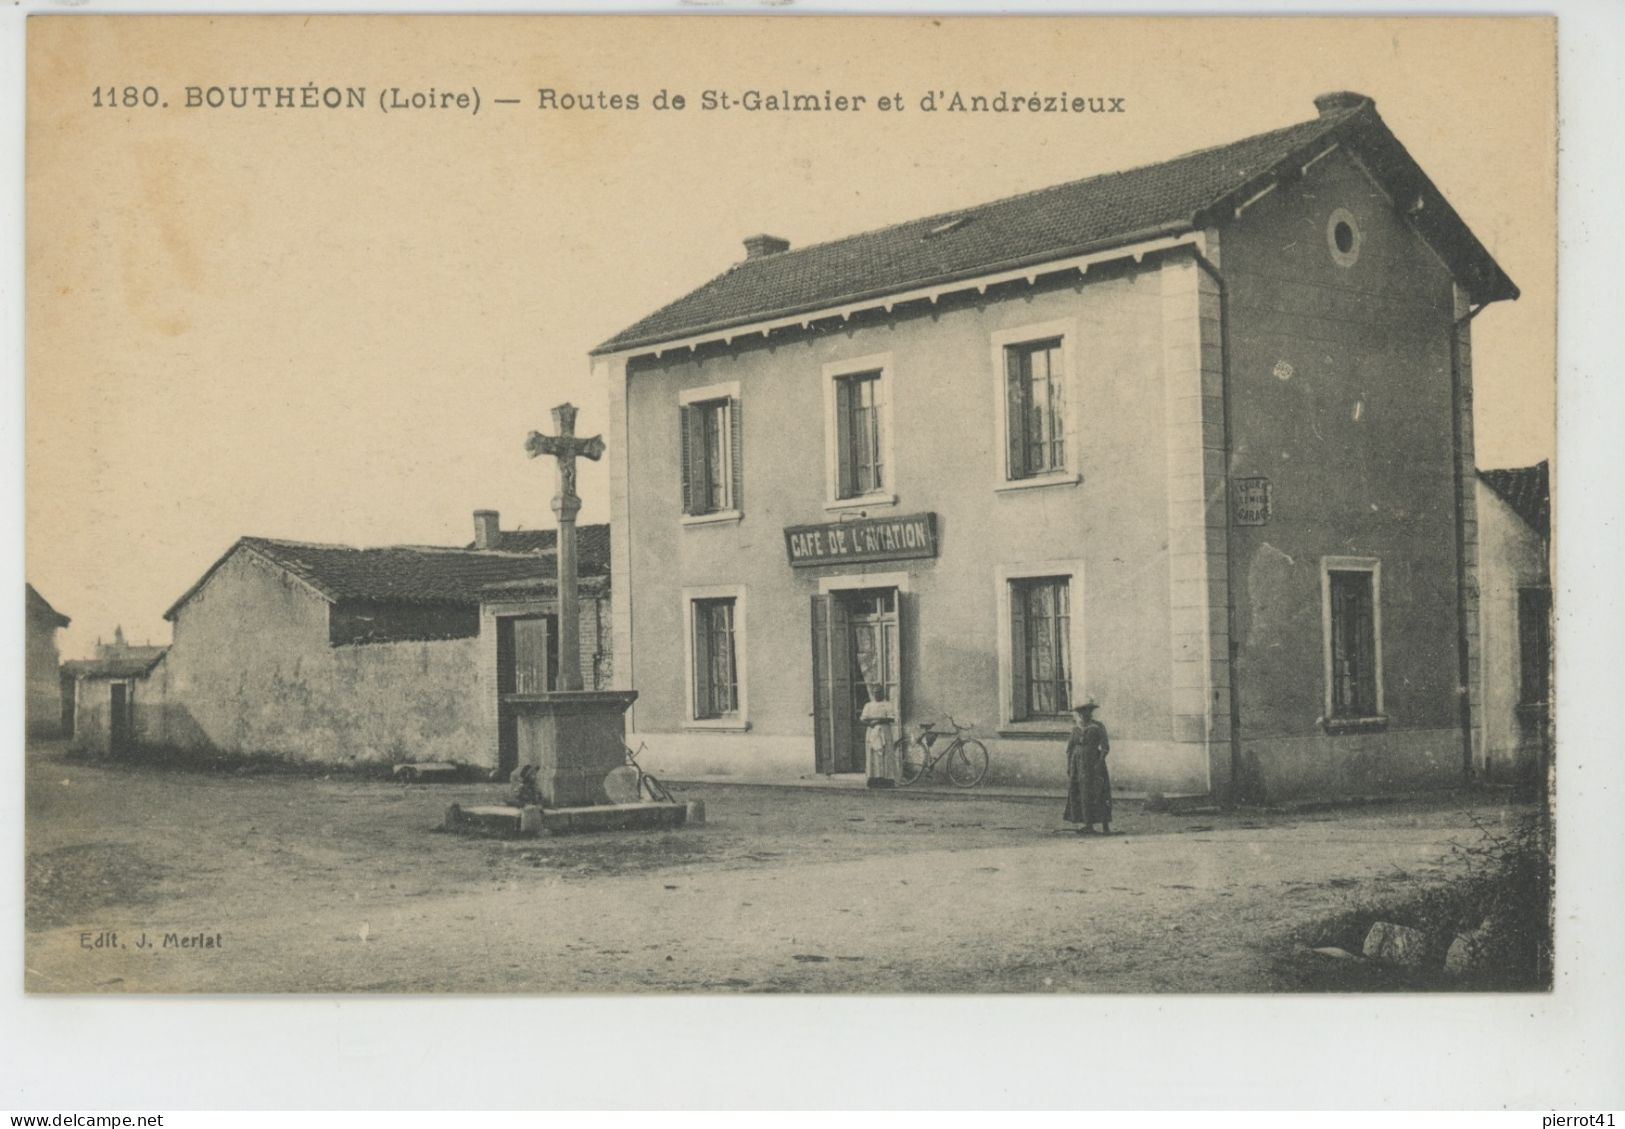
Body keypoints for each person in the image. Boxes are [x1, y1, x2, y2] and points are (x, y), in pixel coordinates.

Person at [1062, 699, 1112, 835]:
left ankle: (1105, 826)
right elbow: (1069, 749)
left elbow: (1105, 747)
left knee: (1098, 791)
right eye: (1081, 713)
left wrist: (1100, 761)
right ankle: (1087, 825)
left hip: (1093, 763)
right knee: (1080, 792)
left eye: (1086, 712)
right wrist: (1069, 766)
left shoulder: (1098, 727)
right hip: (1077, 764)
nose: (1084, 715)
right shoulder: (1076, 729)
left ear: (1091, 713)